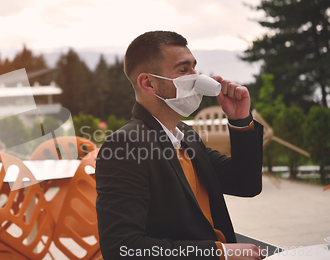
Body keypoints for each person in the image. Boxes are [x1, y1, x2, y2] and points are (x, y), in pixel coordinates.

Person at [95, 31, 265, 260]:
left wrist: (240, 120)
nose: (196, 78)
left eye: (194, 68)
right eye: (183, 70)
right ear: (149, 83)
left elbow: (246, 184)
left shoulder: (186, 136)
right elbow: (122, 248)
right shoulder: (125, 146)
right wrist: (219, 253)